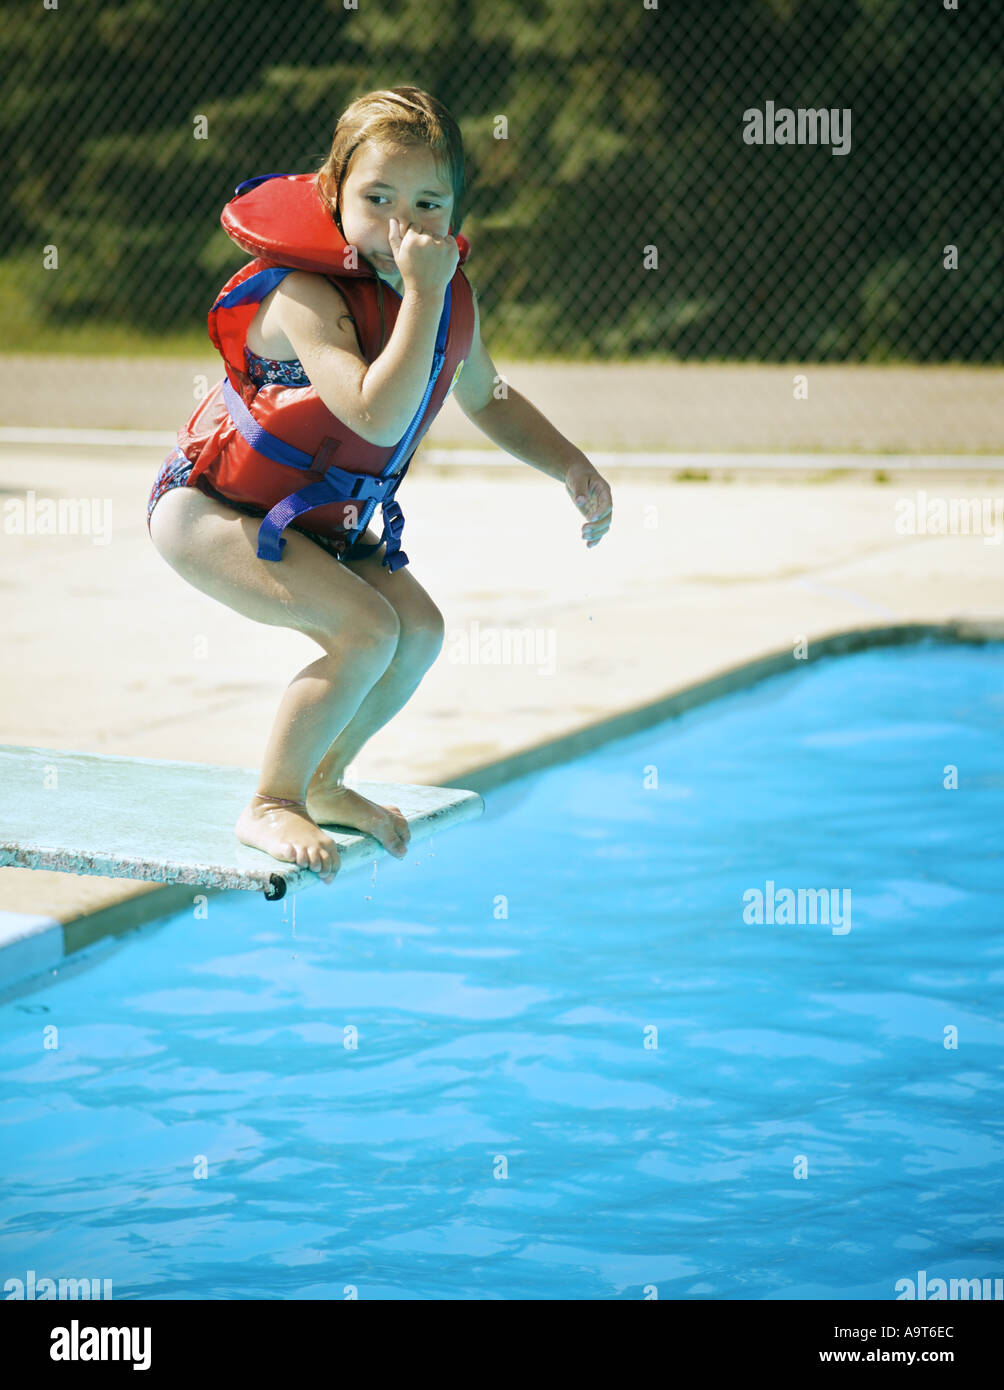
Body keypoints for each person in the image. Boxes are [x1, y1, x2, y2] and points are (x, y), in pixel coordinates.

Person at [147, 86, 612, 886]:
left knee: (418, 631)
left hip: (310, 522)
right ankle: (271, 799)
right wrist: (425, 296)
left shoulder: (447, 297)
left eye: (429, 202)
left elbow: (485, 397)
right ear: (333, 195)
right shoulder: (306, 295)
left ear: (457, 207)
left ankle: (325, 782)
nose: (406, 225)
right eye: (379, 199)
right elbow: (375, 417)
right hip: (212, 510)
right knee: (365, 630)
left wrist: (569, 464)